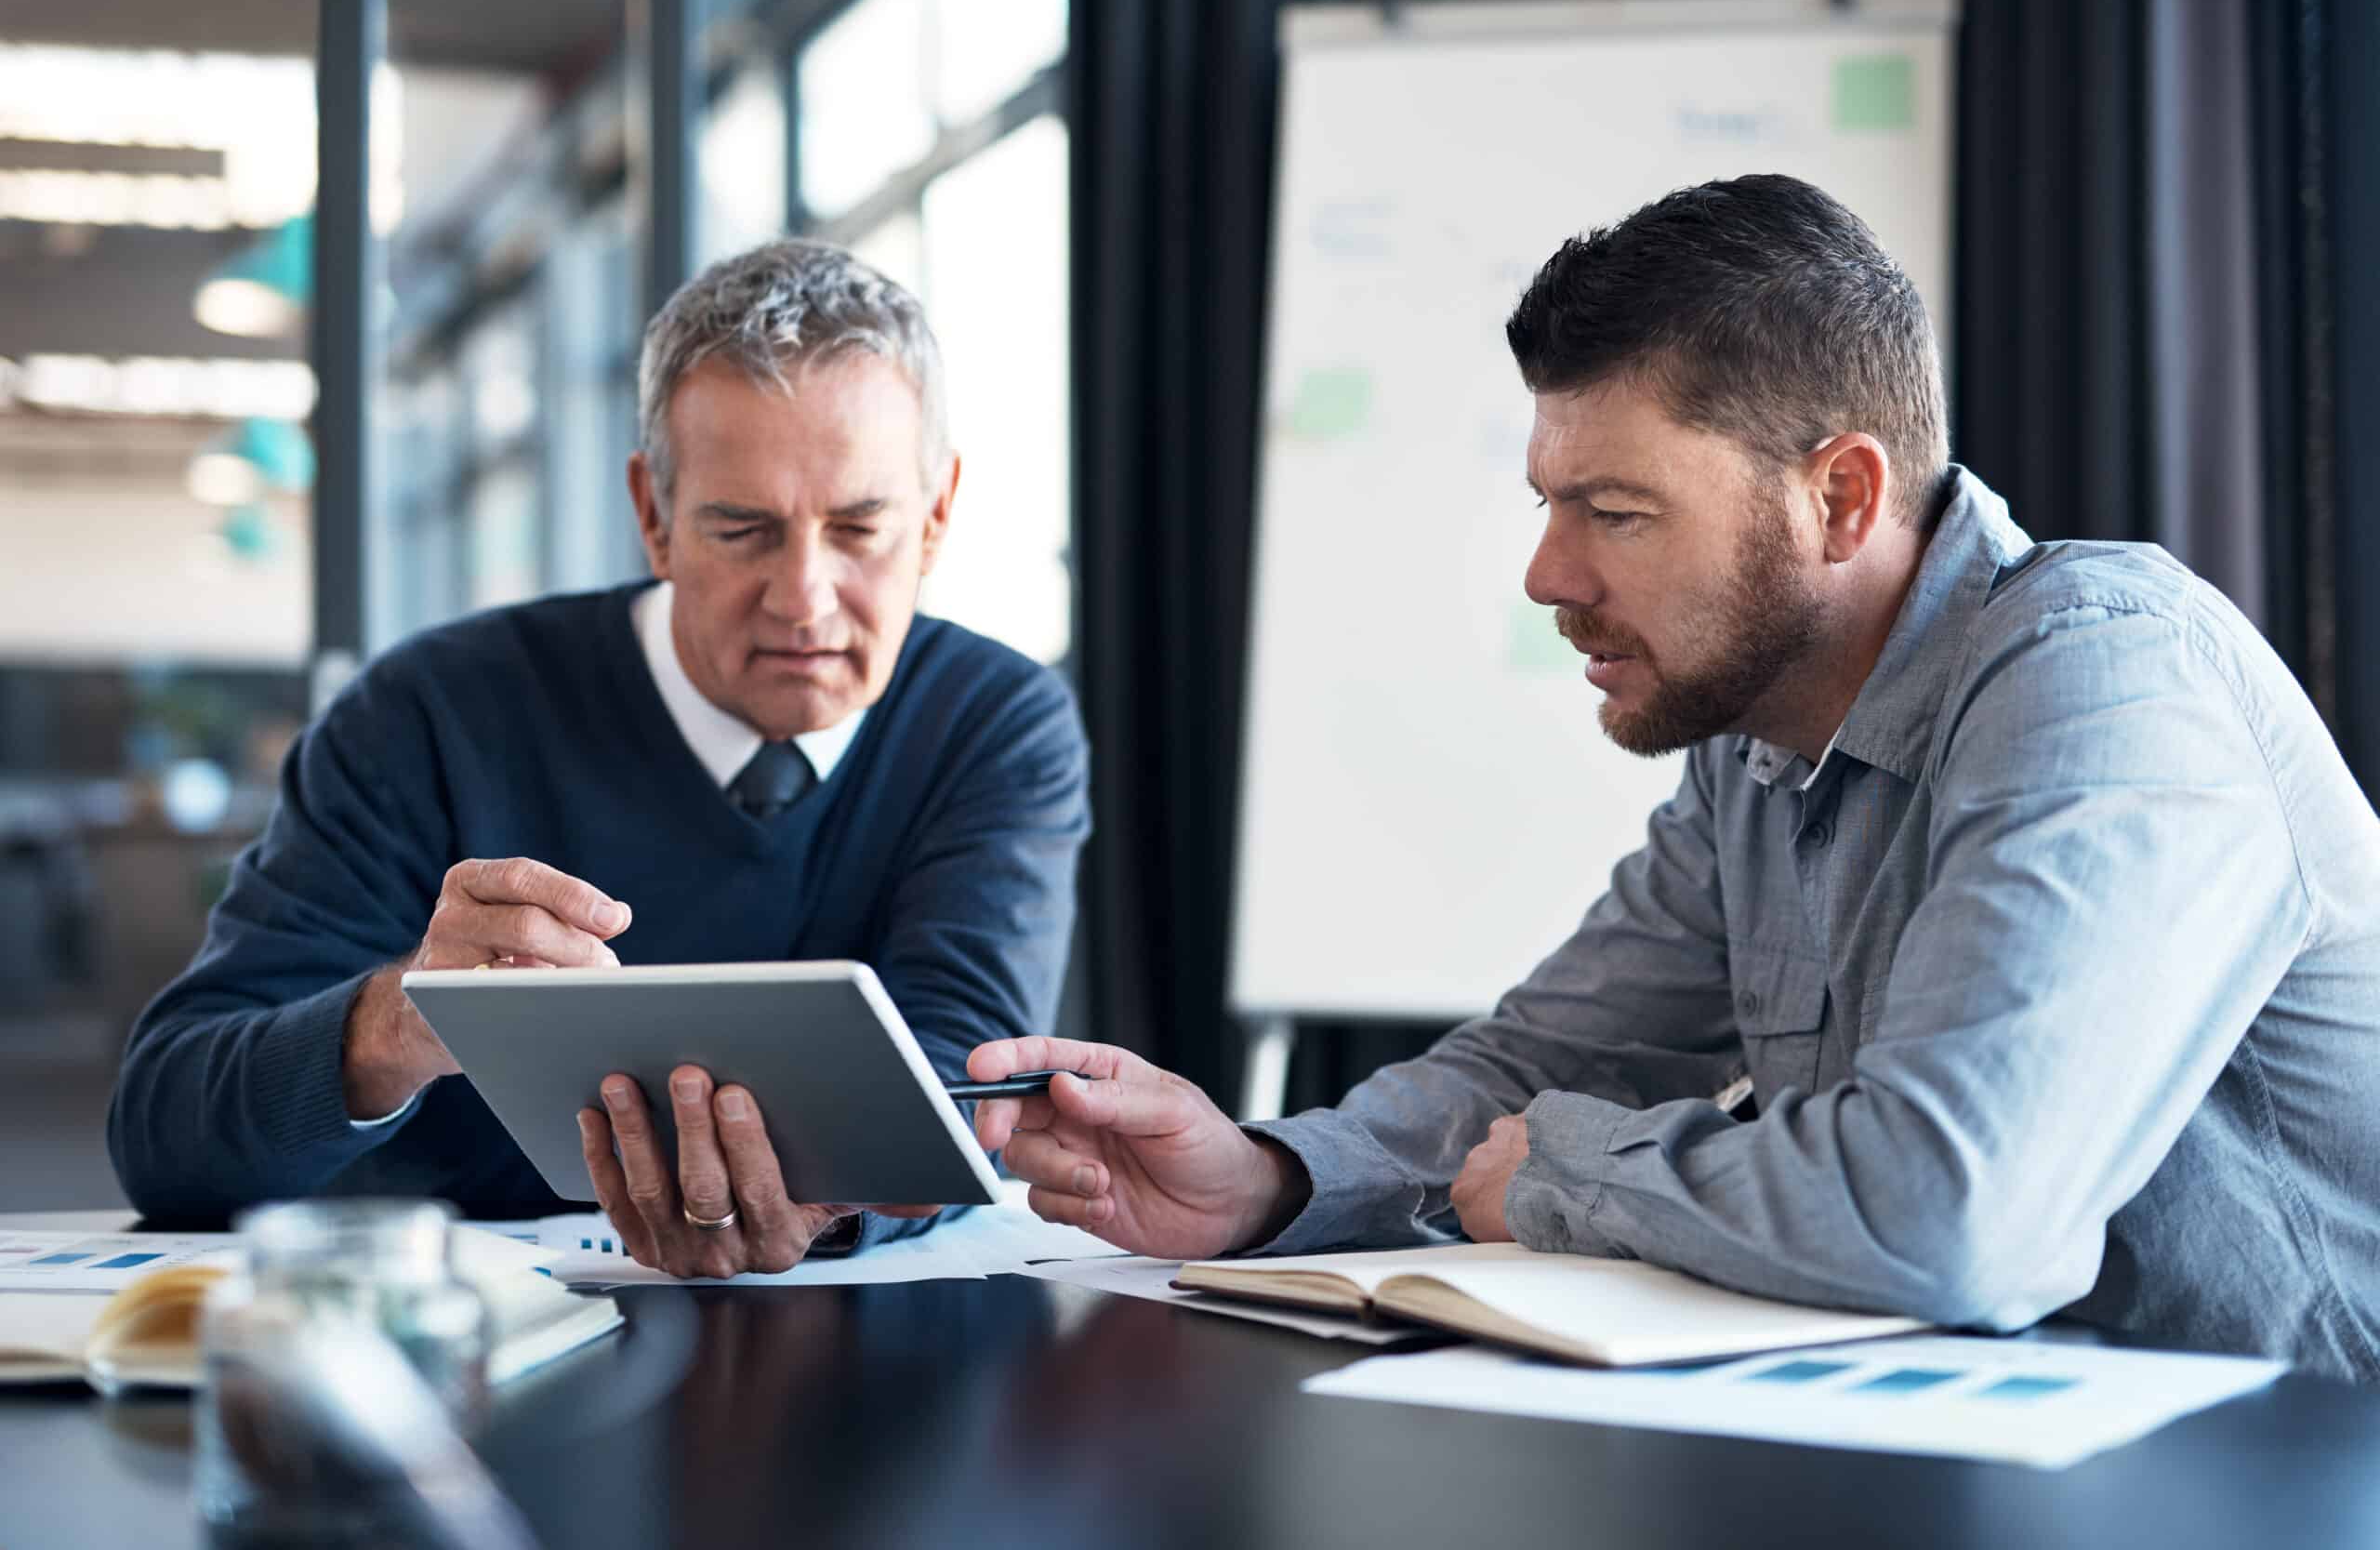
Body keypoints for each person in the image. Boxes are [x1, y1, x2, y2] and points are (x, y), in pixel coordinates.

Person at [966, 175, 2380, 1381]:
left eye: (1618, 512)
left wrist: (1570, 1177)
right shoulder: (1760, 752)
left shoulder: (2112, 678)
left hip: (2291, 1464)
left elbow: (1953, 1214)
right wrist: (1267, 1177)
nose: (1547, 575)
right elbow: (1545, 1063)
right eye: (1550, 502)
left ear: (1841, 498)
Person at [110, 240, 1091, 1278]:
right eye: (743, 529)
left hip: (846, 1345)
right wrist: (400, 1020)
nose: (804, 595)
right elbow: (166, 1131)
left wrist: (819, 1203)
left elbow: (961, 1089)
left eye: (859, 526)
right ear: (654, 517)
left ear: (936, 517)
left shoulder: (993, 722)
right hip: (457, 1351)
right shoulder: (427, 715)